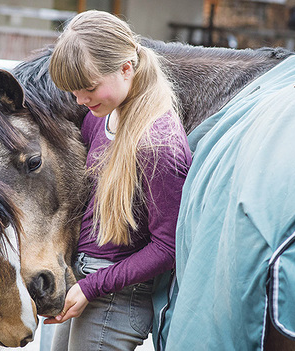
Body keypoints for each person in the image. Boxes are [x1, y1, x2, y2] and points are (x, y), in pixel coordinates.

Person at [44, 10, 192, 350]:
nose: (80, 100)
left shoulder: (159, 144)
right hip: (85, 280)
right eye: (73, 92)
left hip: (116, 297)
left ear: (127, 68)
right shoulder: (104, 113)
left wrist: (93, 287)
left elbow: (168, 247)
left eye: (89, 88)